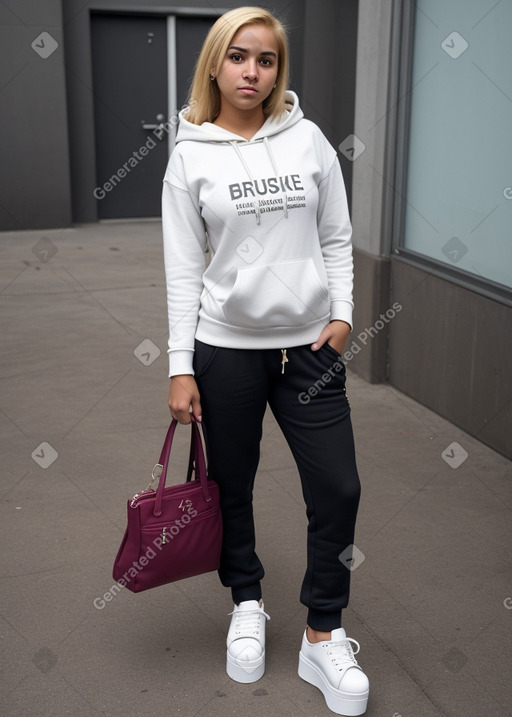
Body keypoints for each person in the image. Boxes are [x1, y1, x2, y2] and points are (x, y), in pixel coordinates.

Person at [162, 7, 369, 715]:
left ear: (280, 69)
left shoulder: (308, 139)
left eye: (268, 60)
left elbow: (338, 237)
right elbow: (183, 269)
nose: (254, 72)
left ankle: (323, 629)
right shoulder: (191, 153)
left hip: (310, 352)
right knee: (232, 486)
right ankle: (246, 601)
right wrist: (179, 364)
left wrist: (342, 317)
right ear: (215, 65)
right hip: (226, 350)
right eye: (240, 57)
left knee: (338, 487)